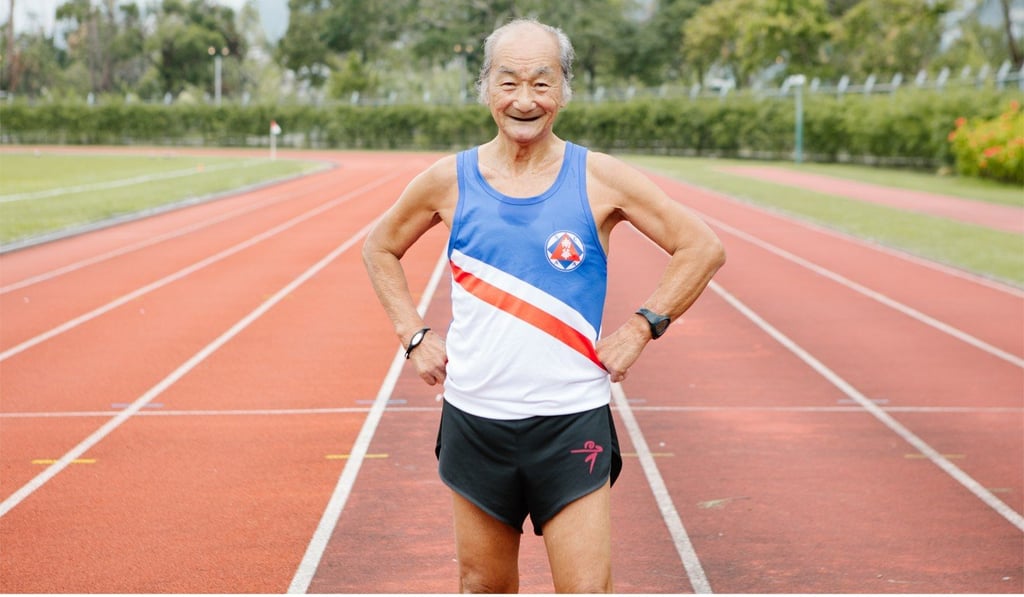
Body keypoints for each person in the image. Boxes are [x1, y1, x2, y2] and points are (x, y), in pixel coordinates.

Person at [362, 17, 725, 594]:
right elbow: (379, 246)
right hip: (476, 418)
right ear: (485, 89)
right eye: (509, 83)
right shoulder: (447, 180)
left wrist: (641, 326)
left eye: (542, 82)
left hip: (569, 421)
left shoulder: (599, 177)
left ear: (564, 90)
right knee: (483, 585)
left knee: (585, 589)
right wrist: (412, 334)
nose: (525, 100)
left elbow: (702, 246)